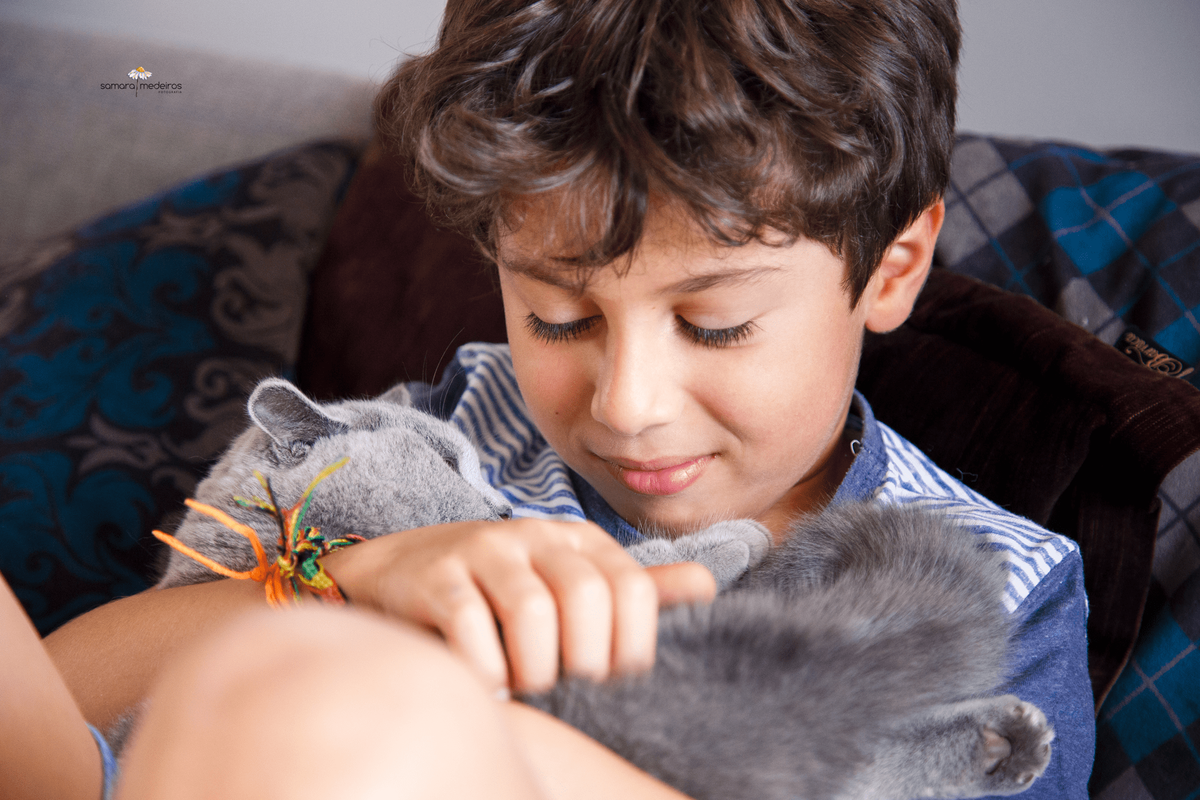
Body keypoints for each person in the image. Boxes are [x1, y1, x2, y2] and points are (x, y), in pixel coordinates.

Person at [43, 0, 1095, 797]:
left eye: (715, 324)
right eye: (558, 317)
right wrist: (357, 583)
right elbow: (59, 704)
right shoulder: (439, 438)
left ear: (893, 268)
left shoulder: (1003, 592)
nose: (628, 406)